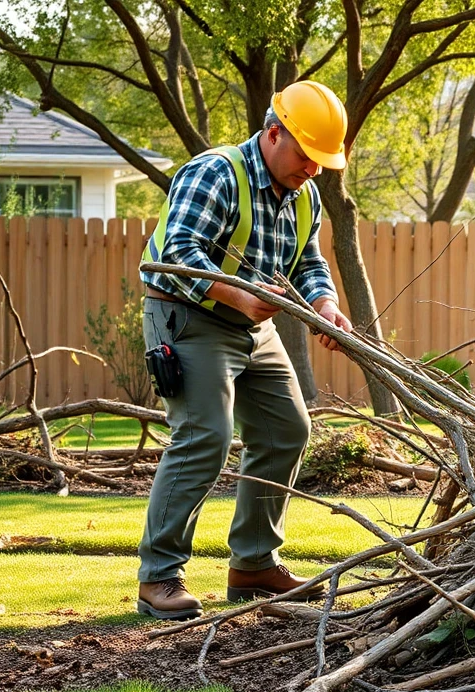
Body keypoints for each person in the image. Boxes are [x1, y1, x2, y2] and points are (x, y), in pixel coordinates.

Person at [135, 80, 353, 620]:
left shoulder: (305, 196)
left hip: (254, 325)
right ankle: (158, 576)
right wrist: (236, 293)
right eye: (307, 155)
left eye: (323, 162)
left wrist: (324, 304)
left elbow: (309, 264)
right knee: (206, 434)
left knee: (288, 429)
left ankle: (254, 565)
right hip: (190, 316)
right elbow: (176, 251)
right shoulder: (215, 173)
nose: (314, 169)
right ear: (273, 133)